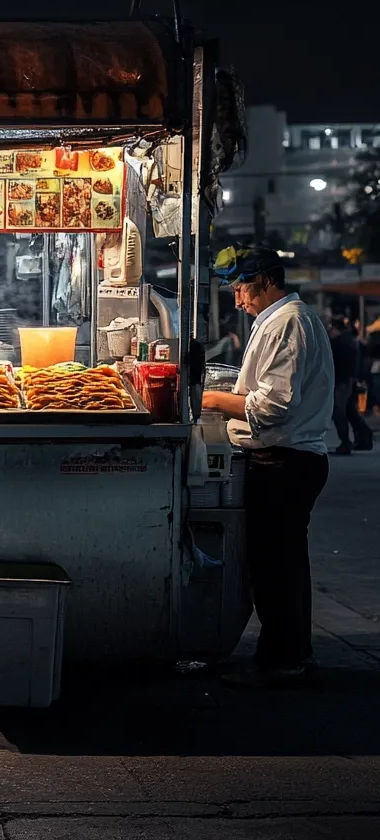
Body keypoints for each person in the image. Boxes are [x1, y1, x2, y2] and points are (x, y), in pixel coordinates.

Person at [202, 246, 334, 688]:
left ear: (267, 281)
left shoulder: (289, 322)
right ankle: (292, 653)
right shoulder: (279, 321)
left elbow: (274, 405)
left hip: (285, 463)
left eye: (241, 288)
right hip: (289, 461)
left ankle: (282, 662)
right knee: (286, 566)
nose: (237, 299)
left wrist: (212, 400)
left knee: (275, 569)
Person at [328, 315, 373, 454]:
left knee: (339, 410)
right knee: (350, 411)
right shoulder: (350, 341)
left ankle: (346, 442)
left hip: (343, 381)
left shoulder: (340, 342)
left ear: (335, 328)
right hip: (350, 380)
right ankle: (364, 437)